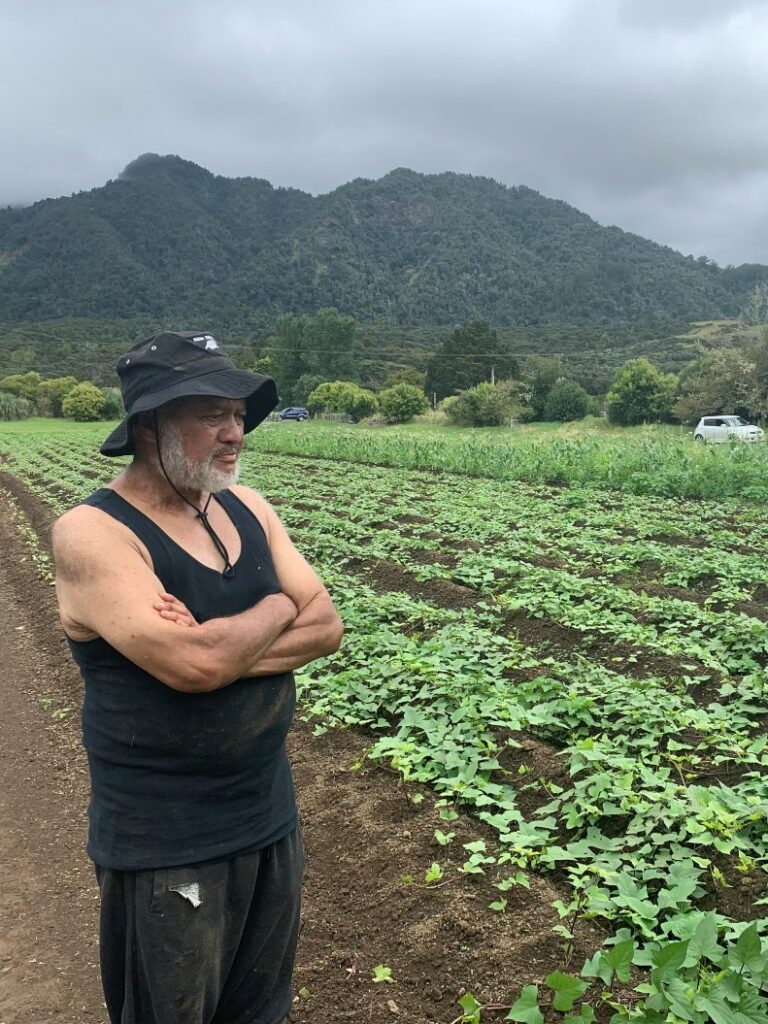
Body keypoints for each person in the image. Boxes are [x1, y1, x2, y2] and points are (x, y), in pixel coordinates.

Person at [52, 331, 343, 1024]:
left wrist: (227, 644)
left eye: (239, 415)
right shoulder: (94, 533)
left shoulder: (248, 508)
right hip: (166, 842)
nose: (234, 432)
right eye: (212, 412)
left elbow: (326, 627)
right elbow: (197, 663)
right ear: (150, 424)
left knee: (260, 1012)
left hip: (267, 815)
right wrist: (277, 606)